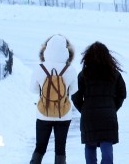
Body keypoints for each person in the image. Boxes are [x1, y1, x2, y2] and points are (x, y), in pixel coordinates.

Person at [72, 42, 126, 164]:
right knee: (106, 145)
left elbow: (75, 96)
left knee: (90, 145)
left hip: (89, 116)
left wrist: (84, 109)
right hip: (108, 115)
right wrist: (112, 107)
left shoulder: (83, 74)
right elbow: (122, 94)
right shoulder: (114, 74)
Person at [30, 34, 78, 164]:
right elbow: (73, 90)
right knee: (60, 148)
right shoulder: (70, 70)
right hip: (64, 114)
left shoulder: (40, 68)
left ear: (46, 50)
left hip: (43, 113)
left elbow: (33, 89)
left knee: (40, 147)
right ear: (66, 51)